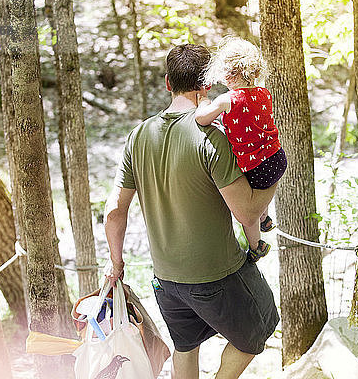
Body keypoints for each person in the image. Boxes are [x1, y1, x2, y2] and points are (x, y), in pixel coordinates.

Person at [104, 44, 279, 379]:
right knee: (260, 327)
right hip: (218, 274)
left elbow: (114, 211)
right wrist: (275, 175)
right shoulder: (211, 137)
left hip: (166, 279)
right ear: (208, 85)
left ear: (169, 83)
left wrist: (116, 263)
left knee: (186, 347)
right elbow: (247, 213)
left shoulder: (139, 135)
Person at [195, 38, 287, 261]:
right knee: (262, 191)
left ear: (228, 74)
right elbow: (250, 125)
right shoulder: (264, 94)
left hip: (256, 167)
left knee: (248, 214)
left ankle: (256, 246)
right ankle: (266, 218)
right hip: (276, 157)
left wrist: (204, 101)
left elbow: (201, 119)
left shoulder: (227, 99)